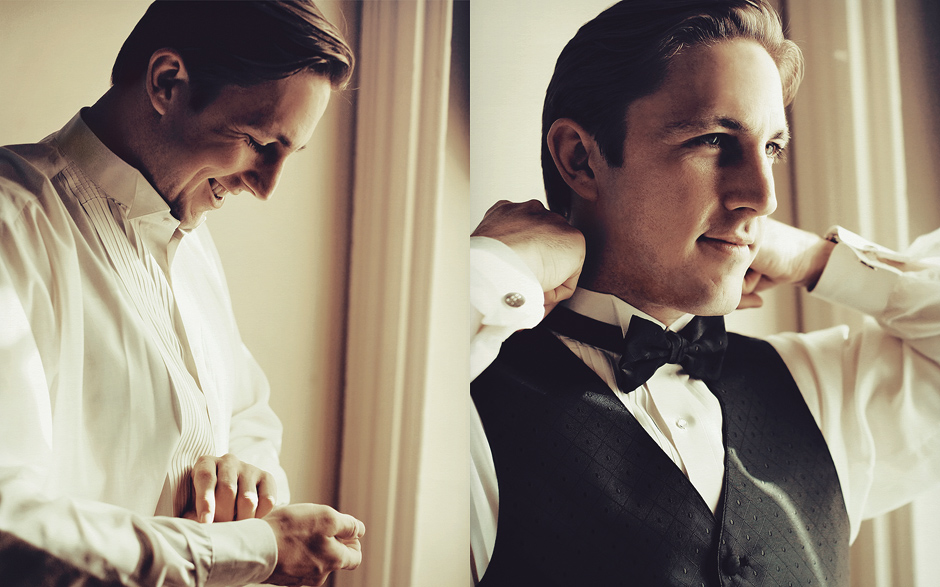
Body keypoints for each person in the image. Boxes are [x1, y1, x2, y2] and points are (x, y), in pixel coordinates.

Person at [469, 1, 940, 585]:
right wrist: (500, 267)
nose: (764, 196)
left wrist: (816, 258)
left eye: (772, 147)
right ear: (579, 158)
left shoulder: (817, 392)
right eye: (715, 140)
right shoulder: (467, 399)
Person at [0, 2, 365, 585]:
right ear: (167, 82)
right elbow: (8, 527)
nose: (267, 187)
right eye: (256, 141)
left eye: (288, 155)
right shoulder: (10, 227)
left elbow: (247, 409)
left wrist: (246, 474)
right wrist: (255, 547)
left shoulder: (191, 240)